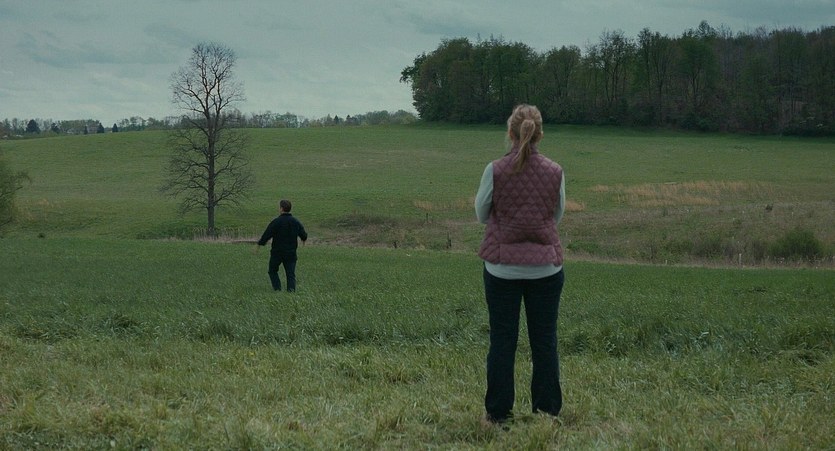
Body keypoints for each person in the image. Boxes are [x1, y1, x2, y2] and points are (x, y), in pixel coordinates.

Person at [475, 104, 566, 424]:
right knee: (544, 341)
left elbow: (481, 213)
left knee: (502, 341)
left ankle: (499, 414)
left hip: (502, 268)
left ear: (510, 133)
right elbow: (556, 216)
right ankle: (546, 413)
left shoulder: (495, 170)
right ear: (540, 134)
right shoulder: (555, 171)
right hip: (546, 269)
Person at [257, 199, 308, 292]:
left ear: (281, 209)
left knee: (272, 271)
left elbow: (267, 234)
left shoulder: (276, 222)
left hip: (277, 252)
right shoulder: (295, 222)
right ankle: (291, 292)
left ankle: (277, 289)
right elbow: (303, 234)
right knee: (290, 274)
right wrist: (304, 239)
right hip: (291, 253)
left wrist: (260, 243)